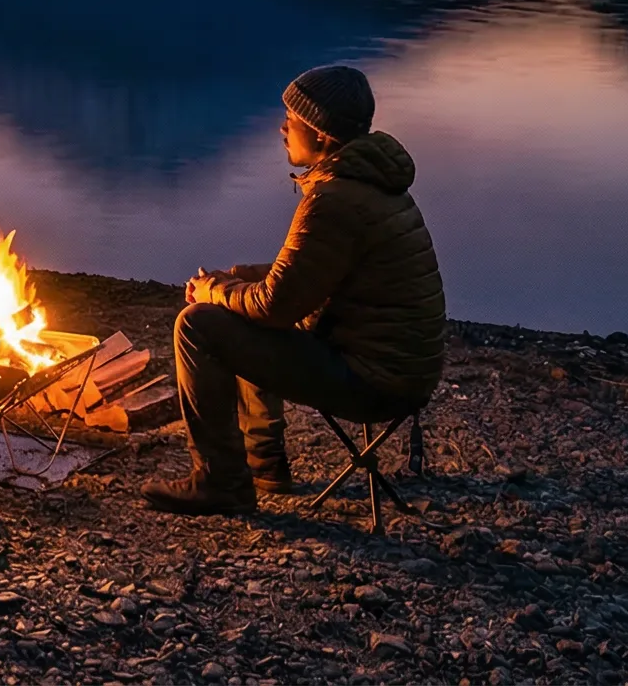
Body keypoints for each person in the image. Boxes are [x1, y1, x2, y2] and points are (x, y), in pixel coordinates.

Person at [143, 64, 445, 514]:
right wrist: (235, 279)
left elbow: (274, 307)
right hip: (401, 369)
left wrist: (212, 291)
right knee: (239, 301)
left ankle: (221, 482)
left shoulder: (334, 199)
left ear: (321, 135)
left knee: (199, 326)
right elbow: (320, 272)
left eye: (292, 120)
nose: (282, 128)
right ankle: (265, 466)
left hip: (375, 382)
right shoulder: (368, 185)